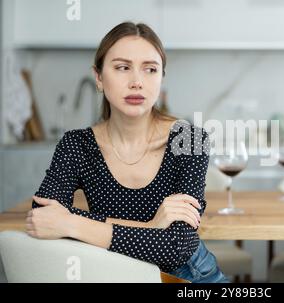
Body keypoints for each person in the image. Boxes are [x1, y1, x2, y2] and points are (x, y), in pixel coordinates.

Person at [25, 22, 228, 283]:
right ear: (98, 77)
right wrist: (151, 227)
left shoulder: (190, 140)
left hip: (189, 278)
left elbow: (177, 247)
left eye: (150, 70)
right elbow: (42, 217)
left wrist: (71, 223)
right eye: (122, 68)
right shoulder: (77, 145)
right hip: (111, 274)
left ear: (161, 79)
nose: (136, 82)